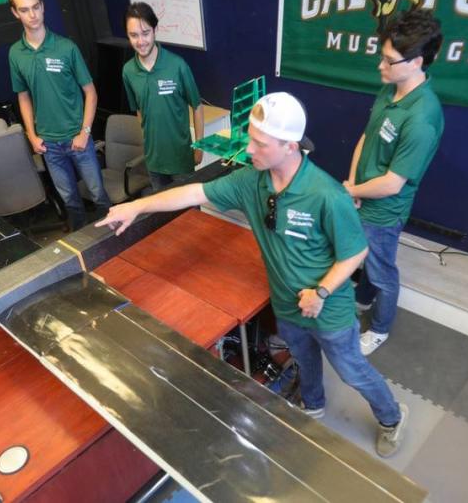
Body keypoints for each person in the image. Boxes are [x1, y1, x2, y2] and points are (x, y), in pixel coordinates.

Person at [97, 92, 409, 458]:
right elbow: (192, 192)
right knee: (303, 358)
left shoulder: (325, 194)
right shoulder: (252, 182)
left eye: (258, 143)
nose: (248, 149)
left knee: (351, 370)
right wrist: (136, 206)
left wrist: (321, 292)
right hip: (287, 304)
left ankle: (392, 417)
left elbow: (356, 251)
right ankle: (313, 405)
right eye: (250, 138)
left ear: (290, 146)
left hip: (328, 308)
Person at [344, 9, 444, 356]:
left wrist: (353, 192)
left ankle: (381, 328)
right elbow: (365, 136)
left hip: (384, 211)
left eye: (389, 61)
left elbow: (391, 184)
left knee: (383, 272)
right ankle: (360, 300)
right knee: (366, 261)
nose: (380, 67)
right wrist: (354, 182)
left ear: (416, 62)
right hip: (361, 195)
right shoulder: (391, 89)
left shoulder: (422, 119)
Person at [7, 0, 110, 230]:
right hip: (49, 145)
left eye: (35, 7)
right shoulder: (15, 54)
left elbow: (91, 93)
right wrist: (32, 136)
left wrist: (85, 132)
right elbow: (23, 97)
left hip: (78, 140)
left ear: (43, 6)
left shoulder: (66, 48)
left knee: (98, 196)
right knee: (70, 201)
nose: (32, 15)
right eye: (24, 9)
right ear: (15, 13)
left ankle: (115, 244)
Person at [122, 2, 204, 191]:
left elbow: (197, 107)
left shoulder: (177, 65)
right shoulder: (128, 71)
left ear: (155, 30)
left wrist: (199, 146)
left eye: (146, 33)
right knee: (163, 216)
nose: (141, 41)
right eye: (133, 35)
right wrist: (147, 141)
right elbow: (139, 111)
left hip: (181, 158)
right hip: (154, 161)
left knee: (189, 214)